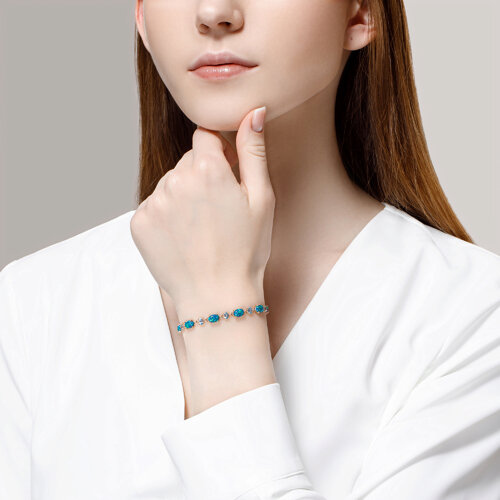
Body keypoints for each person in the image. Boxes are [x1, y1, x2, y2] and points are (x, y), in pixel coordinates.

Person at [1, 0, 499, 498]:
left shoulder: (472, 318)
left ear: (359, 14)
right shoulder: (32, 303)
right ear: (142, 19)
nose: (213, 12)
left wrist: (219, 312)